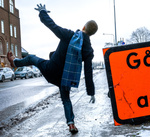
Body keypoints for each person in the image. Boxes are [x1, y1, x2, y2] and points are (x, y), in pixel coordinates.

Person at [7, 4, 97, 134]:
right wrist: (91, 92)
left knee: (32, 58)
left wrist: (43, 12)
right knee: (66, 99)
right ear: (92, 34)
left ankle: (15, 62)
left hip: (51, 69)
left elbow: (52, 26)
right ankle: (71, 124)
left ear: (83, 27)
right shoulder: (89, 50)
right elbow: (89, 72)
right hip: (65, 78)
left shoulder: (70, 35)